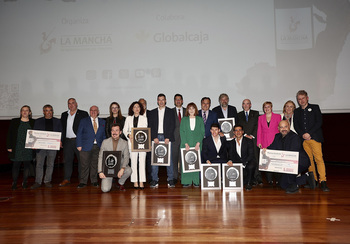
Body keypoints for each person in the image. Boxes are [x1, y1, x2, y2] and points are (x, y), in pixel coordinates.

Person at [293, 90, 330, 192]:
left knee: (319, 159)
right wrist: (303, 135)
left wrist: (309, 134)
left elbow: (319, 122)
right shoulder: (296, 111)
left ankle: (323, 181)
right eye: (299, 99)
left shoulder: (315, 107)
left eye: (303, 98)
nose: (301, 101)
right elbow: (296, 125)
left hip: (315, 138)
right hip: (304, 140)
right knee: (309, 161)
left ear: (307, 98)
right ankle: (313, 181)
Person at [265, 120, 310, 194]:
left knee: (288, 178)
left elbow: (292, 154)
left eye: (285, 126)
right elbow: (272, 147)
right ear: (278, 128)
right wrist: (266, 150)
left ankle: (294, 185)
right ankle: (306, 177)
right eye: (281, 127)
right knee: (283, 184)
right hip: (286, 162)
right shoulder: (277, 136)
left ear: (289, 127)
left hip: (300, 162)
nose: (284, 129)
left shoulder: (295, 137)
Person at [31, 104, 62, 189]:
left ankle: (47, 181)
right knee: (39, 164)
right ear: (43, 112)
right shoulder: (38, 121)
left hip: (52, 146)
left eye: (50, 110)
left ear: (52, 111)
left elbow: (60, 132)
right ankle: (38, 182)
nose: (49, 112)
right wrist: (33, 143)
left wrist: (60, 141)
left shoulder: (57, 121)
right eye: (47, 110)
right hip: (40, 147)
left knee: (50, 164)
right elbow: (34, 134)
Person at [147, 93, 176, 188]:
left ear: (166, 101)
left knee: (169, 160)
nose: (161, 101)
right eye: (159, 100)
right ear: (157, 101)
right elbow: (150, 126)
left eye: (163, 99)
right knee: (155, 161)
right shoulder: (152, 112)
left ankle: (170, 179)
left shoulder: (171, 111)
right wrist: (153, 137)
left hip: (166, 138)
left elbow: (173, 125)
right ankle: (154, 179)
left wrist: (168, 137)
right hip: (156, 138)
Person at [59, 98, 89, 187]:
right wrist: (60, 140)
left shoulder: (83, 114)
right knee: (67, 161)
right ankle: (66, 179)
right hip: (67, 141)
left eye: (73, 103)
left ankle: (81, 179)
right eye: (69, 103)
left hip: (79, 141)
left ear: (76, 104)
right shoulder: (64, 115)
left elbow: (86, 128)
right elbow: (62, 129)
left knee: (81, 161)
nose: (71, 105)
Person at [76, 105, 106, 188]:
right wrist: (79, 144)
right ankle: (83, 182)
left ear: (98, 112)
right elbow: (79, 133)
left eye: (95, 110)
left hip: (98, 146)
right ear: (89, 112)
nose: (93, 112)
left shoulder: (103, 122)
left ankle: (94, 180)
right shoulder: (83, 121)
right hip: (85, 146)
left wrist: (103, 146)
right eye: (91, 110)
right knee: (84, 165)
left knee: (95, 164)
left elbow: (104, 135)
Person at [6, 105, 35, 190]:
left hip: (28, 148)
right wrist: (9, 146)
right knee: (16, 165)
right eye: (23, 110)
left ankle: (25, 182)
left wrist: (35, 145)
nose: (25, 112)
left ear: (29, 112)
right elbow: (9, 134)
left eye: (27, 110)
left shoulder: (33, 122)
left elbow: (36, 134)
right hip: (16, 147)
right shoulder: (14, 121)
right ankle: (14, 182)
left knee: (26, 166)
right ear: (21, 112)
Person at [98, 124, 132, 192]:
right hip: (108, 167)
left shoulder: (124, 143)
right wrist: (100, 171)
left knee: (128, 170)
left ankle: (120, 183)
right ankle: (110, 179)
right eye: (113, 130)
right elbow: (100, 157)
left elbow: (126, 157)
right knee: (105, 190)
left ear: (120, 132)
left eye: (117, 130)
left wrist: (122, 168)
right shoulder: (105, 142)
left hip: (119, 165)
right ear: (111, 132)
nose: (114, 132)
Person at [180, 102, 205, 187]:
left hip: (196, 145)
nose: (191, 110)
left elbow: (202, 132)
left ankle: (195, 181)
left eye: (193, 108)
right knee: (186, 163)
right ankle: (186, 181)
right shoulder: (184, 119)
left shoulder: (200, 119)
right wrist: (185, 143)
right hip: (185, 145)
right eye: (189, 108)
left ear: (195, 110)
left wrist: (198, 143)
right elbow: (182, 132)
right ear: (187, 110)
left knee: (195, 163)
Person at [237, 99, 261, 185]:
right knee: (246, 158)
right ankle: (248, 177)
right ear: (242, 105)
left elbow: (258, 125)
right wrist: (245, 135)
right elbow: (238, 126)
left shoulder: (256, 113)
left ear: (250, 105)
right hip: (243, 139)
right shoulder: (239, 114)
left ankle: (257, 177)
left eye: (248, 103)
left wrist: (252, 135)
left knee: (255, 158)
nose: (246, 105)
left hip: (253, 139)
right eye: (244, 103)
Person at [123, 101, 147, 189]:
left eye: (138, 107)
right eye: (135, 107)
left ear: (140, 109)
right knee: (133, 162)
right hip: (132, 143)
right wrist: (129, 135)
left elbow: (146, 131)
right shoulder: (128, 118)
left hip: (142, 143)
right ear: (132, 109)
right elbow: (125, 130)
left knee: (142, 162)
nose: (136, 108)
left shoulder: (144, 118)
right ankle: (135, 181)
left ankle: (141, 181)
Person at [257, 101, 281, 185]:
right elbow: (259, 130)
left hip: (275, 141)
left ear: (271, 107)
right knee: (266, 161)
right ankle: (269, 180)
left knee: (275, 160)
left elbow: (280, 129)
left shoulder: (278, 116)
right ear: (263, 109)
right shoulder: (260, 118)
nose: (267, 109)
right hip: (264, 141)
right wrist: (259, 142)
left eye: (268, 107)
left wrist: (280, 141)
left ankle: (278, 179)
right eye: (265, 107)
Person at [227, 125, 256, 191]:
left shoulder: (249, 141)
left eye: (240, 130)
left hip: (247, 161)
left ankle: (249, 184)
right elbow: (230, 154)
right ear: (234, 132)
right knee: (241, 182)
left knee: (251, 165)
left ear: (243, 132)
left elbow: (251, 155)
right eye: (236, 130)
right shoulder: (231, 143)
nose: (238, 132)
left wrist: (244, 163)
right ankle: (250, 179)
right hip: (237, 162)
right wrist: (230, 160)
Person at [172, 94, 186, 183]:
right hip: (174, 138)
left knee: (183, 158)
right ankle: (174, 176)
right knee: (174, 158)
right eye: (176, 99)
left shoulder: (187, 111)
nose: (178, 101)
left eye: (180, 99)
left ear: (182, 101)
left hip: (185, 138)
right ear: (174, 101)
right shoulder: (170, 111)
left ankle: (183, 176)